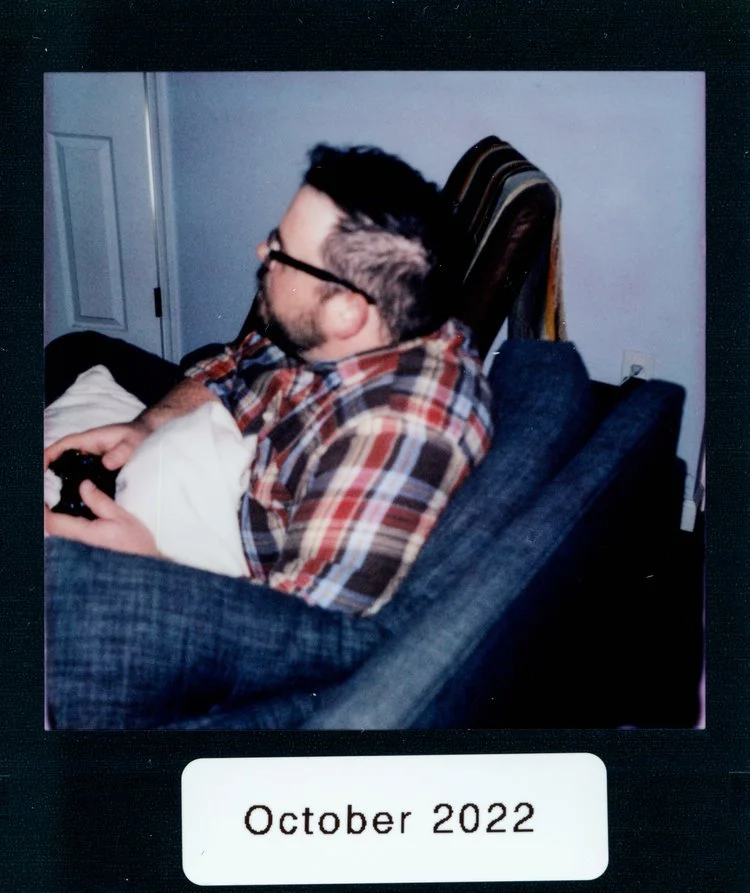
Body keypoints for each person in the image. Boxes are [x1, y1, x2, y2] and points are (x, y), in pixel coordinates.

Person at [44, 144, 494, 728]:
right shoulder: (358, 330)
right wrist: (146, 426)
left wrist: (147, 569)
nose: (263, 252)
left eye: (281, 252)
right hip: (226, 475)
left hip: (209, 584)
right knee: (76, 349)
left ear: (346, 313)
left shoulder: (394, 435)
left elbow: (294, 641)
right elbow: (245, 359)